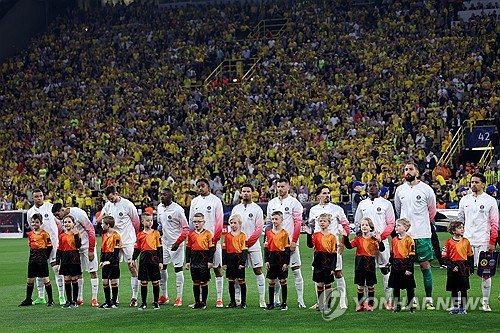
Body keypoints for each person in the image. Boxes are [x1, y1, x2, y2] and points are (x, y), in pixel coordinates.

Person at [394, 162, 437, 310]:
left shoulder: (426, 189)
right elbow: (399, 211)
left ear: (417, 172)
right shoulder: (400, 190)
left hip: (423, 234)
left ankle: (429, 299)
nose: (408, 172)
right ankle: (411, 300)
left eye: (410, 169)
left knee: (425, 266)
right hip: (406, 237)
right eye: (406, 169)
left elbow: (432, 211)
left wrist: (422, 225)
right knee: (407, 268)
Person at [458, 173, 499, 312]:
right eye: (472, 182)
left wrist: (492, 241)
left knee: (486, 273)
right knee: (462, 273)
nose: (473, 184)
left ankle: (485, 303)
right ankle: (461, 303)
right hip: (466, 242)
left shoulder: (490, 201)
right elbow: (460, 220)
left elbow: (494, 223)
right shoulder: (464, 200)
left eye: (476, 182)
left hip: (483, 241)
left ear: (483, 184)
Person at [354, 180, 395, 310]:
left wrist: (380, 238)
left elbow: (391, 223)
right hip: (366, 244)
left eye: (374, 186)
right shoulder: (362, 204)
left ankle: (388, 300)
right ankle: (367, 302)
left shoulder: (386, 204)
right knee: (366, 272)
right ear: (366, 189)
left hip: (381, 242)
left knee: (385, 269)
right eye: (370, 186)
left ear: (379, 188)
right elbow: (357, 223)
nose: (372, 188)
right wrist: (363, 238)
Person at [265, 178, 305, 308]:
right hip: (274, 244)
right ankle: (276, 299)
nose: (280, 189)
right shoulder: (272, 203)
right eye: (278, 187)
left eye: (282, 186)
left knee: (295, 269)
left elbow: (298, 223)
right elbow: (269, 224)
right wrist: (267, 239)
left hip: (289, 243)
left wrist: (294, 241)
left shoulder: (294, 203)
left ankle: (300, 300)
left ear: (288, 187)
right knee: (275, 271)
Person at [308, 185, 350, 309]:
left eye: (328, 193)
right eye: (324, 193)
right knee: (318, 275)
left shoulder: (337, 209)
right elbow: (311, 227)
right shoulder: (313, 210)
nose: (327, 195)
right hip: (319, 249)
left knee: (337, 272)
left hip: (333, 247)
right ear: (318, 196)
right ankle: (320, 302)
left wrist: (342, 242)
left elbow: (345, 225)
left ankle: (342, 300)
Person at [98, 186, 140, 307]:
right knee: (112, 268)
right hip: (113, 240)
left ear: (117, 193)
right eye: (108, 199)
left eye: (112, 198)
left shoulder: (128, 205)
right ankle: (114, 299)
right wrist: (102, 216)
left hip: (127, 240)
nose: (110, 200)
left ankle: (134, 297)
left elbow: (136, 222)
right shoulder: (108, 205)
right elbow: (101, 218)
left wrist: (135, 238)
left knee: (132, 267)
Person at [52, 203, 99, 306]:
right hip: (74, 250)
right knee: (78, 272)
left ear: (62, 210)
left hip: (86, 246)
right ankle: (79, 298)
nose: (57, 217)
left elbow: (90, 230)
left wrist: (91, 249)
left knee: (93, 271)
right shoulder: (62, 220)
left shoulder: (78, 213)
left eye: (57, 214)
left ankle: (94, 298)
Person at [188, 179, 224, 307]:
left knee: (217, 268)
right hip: (198, 243)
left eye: (202, 186)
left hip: (213, 241)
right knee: (200, 272)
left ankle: (219, 298)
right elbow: (191, 222)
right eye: (198, 187)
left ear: (208, 186)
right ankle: (200, 301)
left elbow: (219, 222)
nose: (200, 188)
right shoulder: (195, 201)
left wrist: (215, 240)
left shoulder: (216, 201)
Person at [26, 188, 65, 305]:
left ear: (43, 196)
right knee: (39, 272)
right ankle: (41, 297)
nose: (39, 198)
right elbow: (32, 227)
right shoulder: (30, 212)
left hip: (53, 244)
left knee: (56, 269)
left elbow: (59, 221)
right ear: (33, 198)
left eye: (41, 196)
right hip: (39, 247)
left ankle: (62, 296)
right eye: (36, 196)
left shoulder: (50, 207)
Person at [231, 183, 266, 307]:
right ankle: (238, 298)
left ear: (252, 193)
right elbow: (233, 226)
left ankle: (262, 299)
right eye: (243, 191)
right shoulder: (236, 209)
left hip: (253, 245)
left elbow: (259, 229)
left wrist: (248, 242)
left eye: (248, 191)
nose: (245, 193)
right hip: (238, 246)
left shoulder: (257, 209)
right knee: (238, 272)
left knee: (258, 270)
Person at [343, 217, 384, 312]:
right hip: (359, 265)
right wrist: (345, 237)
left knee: (370, 285)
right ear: (360, 227)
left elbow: (382, 249)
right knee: (360, 285)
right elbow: (349, 246)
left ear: (371, 227)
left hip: (370, 265)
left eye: (366, 225)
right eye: (362, 225)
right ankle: (360, 305)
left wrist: (380, 240)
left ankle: (370, 304)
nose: (364, 227)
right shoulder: (358, 239)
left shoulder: (373, 239)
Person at [157, 188, 189, 307]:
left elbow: (186, 228)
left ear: (170, 196)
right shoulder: (160, 207)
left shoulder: (178, 210)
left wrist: (178, 242)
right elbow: (160, 224)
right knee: (162, 268)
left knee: (178, 269)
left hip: (177, 244)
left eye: (164, 195)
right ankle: (164, 296)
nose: (161, 197)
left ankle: (179, 297)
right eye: (161, 195)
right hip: (164, 243)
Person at [19, 213, 55, 307]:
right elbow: (30, 245)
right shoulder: (30, 234)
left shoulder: (44, 234)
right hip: (32, 258)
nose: (34, 224)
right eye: (33, 222)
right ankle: (28, 299)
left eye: (37, 222)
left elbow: (49, 247)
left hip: (41, 258)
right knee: (30, 279)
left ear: (41, 223)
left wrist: (45, 256)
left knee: (45, 278)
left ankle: (50, 299)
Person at [304, 213, 337, 312]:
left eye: (324, 221)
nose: (322, 223)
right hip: (318, 263)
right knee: (319, 283)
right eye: (320, 221)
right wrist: (309, 235)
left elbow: (334, 253)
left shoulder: (332, 237)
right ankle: (320, 304)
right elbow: (310, 245)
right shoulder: (316, 235)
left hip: (327, 262)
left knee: (328, 284)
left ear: (329, 223)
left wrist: (332, 267)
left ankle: (328, 305)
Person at [132, 212, 163, 310]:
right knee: (144, 281)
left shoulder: (156, 233)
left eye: (151, 220)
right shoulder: (140, 235)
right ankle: (144, 302)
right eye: (148, 220)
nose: (150, 222)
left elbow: (159, 249)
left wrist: (160, 261)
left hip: (154, 260)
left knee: (155, 281)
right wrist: (133, 258)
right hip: (144, 260)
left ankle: (156, 302)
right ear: (142, 221)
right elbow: (137, 248)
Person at [442, 221, 474, 315]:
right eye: (460, 228)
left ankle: (463, 307)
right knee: (454, 288)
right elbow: (444, 257)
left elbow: (470, 256)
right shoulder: (448, 242)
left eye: (462, 227)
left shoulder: (466, 241)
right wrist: (452, 266)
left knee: (463, 288)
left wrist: (471, 268)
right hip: (453, 267)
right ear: (453, 230)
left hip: (463, 267)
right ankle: (455, 307)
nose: (462, 229)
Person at [186, 212, 215, 309]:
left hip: (204, 260)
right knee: (195, 282)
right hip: (194, 261)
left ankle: (204, 303)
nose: (196, 224)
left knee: (204, 282)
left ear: (204, 222)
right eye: (194, 222)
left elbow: (212, 248)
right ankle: (197, 302)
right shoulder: (191, 234)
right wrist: (187, 261)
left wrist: (210, 261)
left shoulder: (208, 234)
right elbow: (188, 248)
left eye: (199, 222)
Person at [263, 211, 290, 311]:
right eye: (273, 219)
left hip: (281, 259)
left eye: (276, 219)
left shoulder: (284, 233)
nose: (274, 221)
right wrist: (266, 260)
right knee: (271, 280)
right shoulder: (268, 233)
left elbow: (287, 249)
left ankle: (284, 303)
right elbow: (266, 248)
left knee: (283, 280)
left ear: (281, 220)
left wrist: (286, 262)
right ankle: (271, 303)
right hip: (272, 259)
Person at [389, 218, 416, 313]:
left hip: (405, 266)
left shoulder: (409, 240)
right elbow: (392, 254)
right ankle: (397, 305)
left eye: (398, 225)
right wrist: (389, 263)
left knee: (409, 287)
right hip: (396, 266)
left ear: (405, 228)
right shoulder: (394, 240)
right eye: (396, 225)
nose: (396, 227)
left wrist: (409, 268)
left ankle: (410, 305)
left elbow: (412, 256)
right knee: (396, 287)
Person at [54, 215, 82, 309]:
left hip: (74, 259)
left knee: (74, 279)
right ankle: (68, 300)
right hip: (65, 260)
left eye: (69, 222)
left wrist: (75, 234)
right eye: (65, 222)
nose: (67, 224)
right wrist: (57, 262)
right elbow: (59, 250)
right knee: (66, 279)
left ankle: (74, 301)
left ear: (73, 223)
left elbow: (78, 246)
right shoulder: (62, 236)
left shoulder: (77, 234)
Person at [222, 214, 249, 309]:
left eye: (235, 223)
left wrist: (242, 262)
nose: (233, 225)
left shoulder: (242, 236)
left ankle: (243, 302)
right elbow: (224, 250)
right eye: (231, 223)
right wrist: (224, 263)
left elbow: (245, 250)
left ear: (239, 224)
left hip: (238, 259)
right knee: (231, 281)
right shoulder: (227, 236)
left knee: (241, 281)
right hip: (230, 260)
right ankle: (232, 301)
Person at [98, 216, 122, 309]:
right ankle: (107, 301)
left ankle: (114, 301)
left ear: (108, 225)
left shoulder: (116, 236)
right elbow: (102, 250)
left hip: (113, 261)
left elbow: (116, 251)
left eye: (103, 223)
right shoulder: (104, 235)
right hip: (105, 260)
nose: (101, 225)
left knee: (113, 280)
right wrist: (102, 261)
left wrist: (109, 261)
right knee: (104, 281)